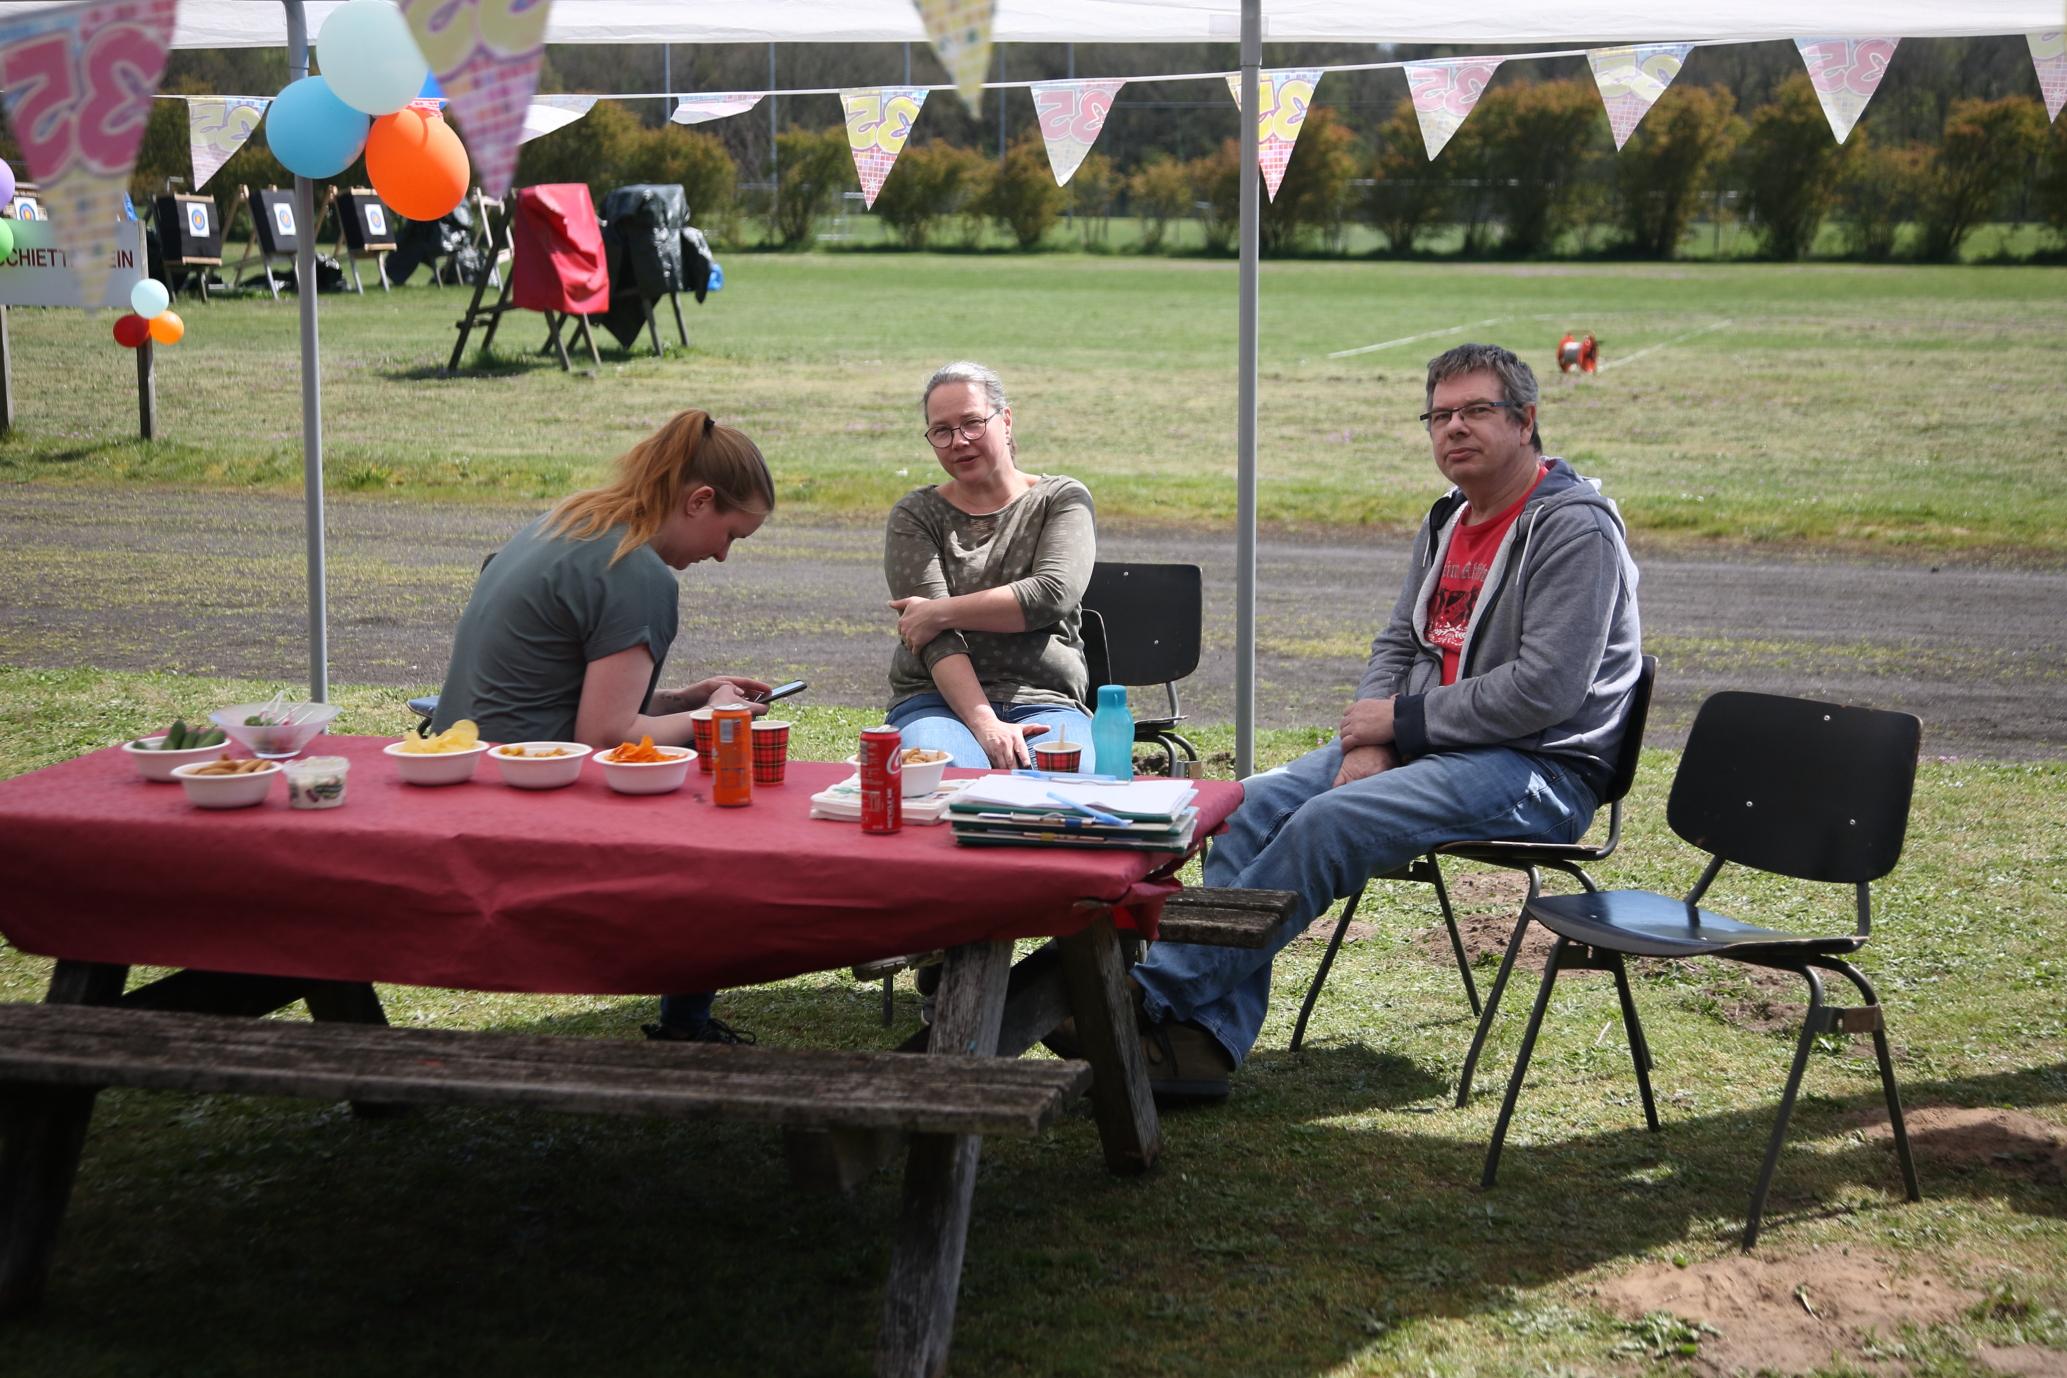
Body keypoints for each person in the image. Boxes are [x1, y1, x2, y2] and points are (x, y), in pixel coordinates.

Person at [1132, 343, 1644, 1099]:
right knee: (1242, 809)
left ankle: (1147, 998)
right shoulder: (1448, 518)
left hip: (1537, 768)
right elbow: (1399, 642)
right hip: (1430, 746)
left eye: (1476, 411)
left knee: (1328, 821)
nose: (1454, 428)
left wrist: (1398, 725)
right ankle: (1201, 1044)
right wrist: (1372, 735)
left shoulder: (1575, 530)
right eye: (1439, 415)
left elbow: (1545, 691)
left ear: (1525, 420)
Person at [432, 408, 775, 1044]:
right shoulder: (637, 571)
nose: (723, 555)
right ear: (699, 501)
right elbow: (604, 738)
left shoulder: (569, 522)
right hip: (523, 796)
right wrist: (714, 719)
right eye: (731, 534)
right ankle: (686, 1026)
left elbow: (564, 693)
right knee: (725, 841)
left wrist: (682, 702)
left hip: (468, 771)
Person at [883, 361, 1096, 768]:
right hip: (935, 701)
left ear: (1007, 420)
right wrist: (986, 724)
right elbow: (935, 639)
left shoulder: (1062, 499)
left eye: (972, 423)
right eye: (942, 431)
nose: (959, 441)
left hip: (1043, 700)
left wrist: (939, 612)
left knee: (1063, 782)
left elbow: (1051, 595)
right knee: (949, 777)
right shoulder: (915, 515)